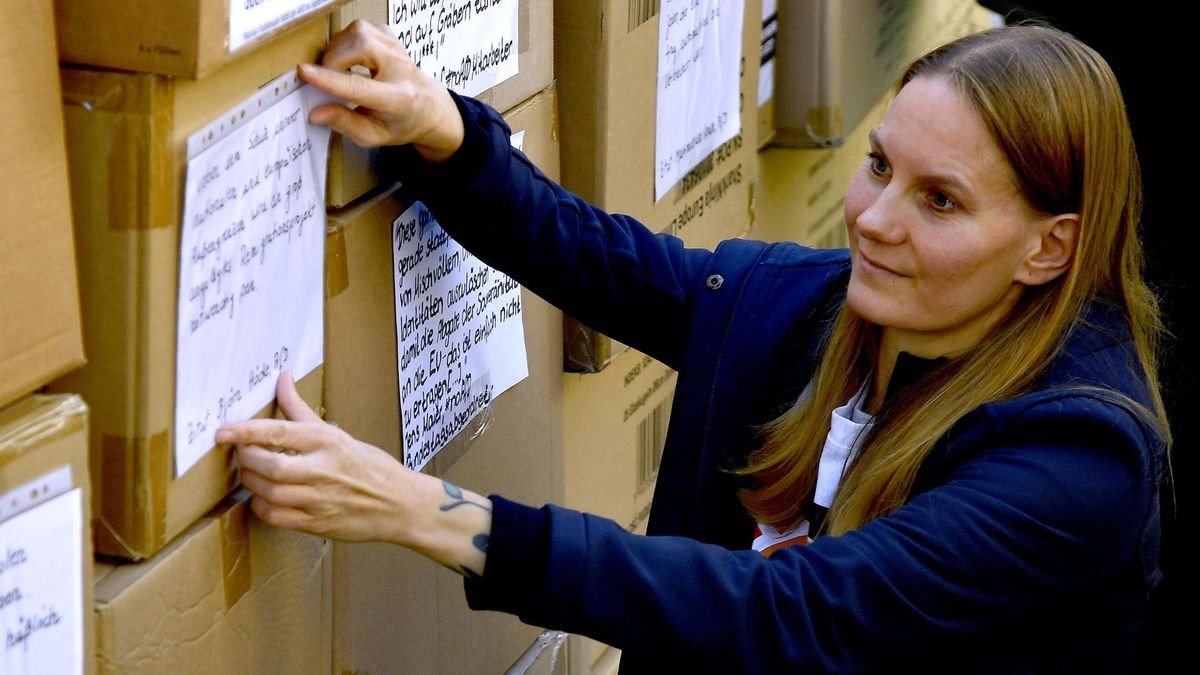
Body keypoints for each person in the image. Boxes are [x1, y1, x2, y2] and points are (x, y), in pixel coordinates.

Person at [216, 20, 1168, 672]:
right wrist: (446, 134)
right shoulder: (834, 310)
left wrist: (423, 508)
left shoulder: (1077, 461)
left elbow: (796, 614)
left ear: (1051, 247)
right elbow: (611, 267)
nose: (874, 219)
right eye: (880, 165)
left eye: (940, 199)